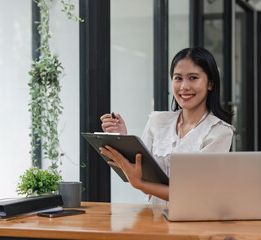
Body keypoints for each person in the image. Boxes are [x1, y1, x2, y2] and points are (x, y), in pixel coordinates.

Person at [99, 47, 235, 204]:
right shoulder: (157, 121)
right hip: (154, 220)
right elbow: (138, 171)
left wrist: (141, 185)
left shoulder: (219, 132)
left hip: (194, 223)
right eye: (178, 78)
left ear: (210, 83)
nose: (184, 86)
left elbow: (196, 193)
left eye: (193, 78)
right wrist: (122, 138)